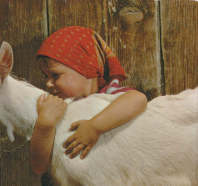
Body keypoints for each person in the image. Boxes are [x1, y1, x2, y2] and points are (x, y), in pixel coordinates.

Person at [29, 26, 147, 175]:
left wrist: (95, 127)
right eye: (46, 76)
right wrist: (45, 124)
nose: (48, 84)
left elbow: (138, 99)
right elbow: (39, 168)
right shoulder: (56, 110)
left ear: (87, 69)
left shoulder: (110, 95)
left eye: (55, 75)